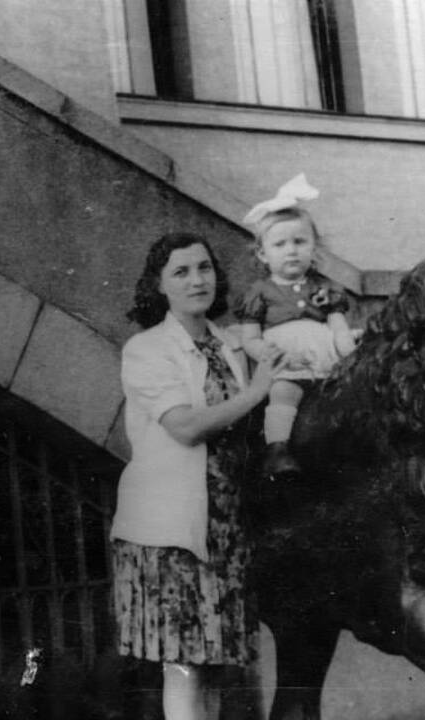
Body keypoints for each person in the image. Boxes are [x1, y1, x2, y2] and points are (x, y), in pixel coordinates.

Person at [110, 232, 286, 720]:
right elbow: (185, 426)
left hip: (225, 528)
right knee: (184, 665)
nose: (197, 280)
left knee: (209, 666)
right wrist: (257, 392)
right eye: (181, 272)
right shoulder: (146, 350)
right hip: (171, 531)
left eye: (204, 268)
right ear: (159, 286)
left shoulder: (231, 345)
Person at [234, 174, 356, 478]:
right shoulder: (260, 292)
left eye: (300, 242)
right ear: (263, 253)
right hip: (285, 361)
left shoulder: (324, 288)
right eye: (280, 244)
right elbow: (250, 338)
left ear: (314, 248)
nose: (291, 250)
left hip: (325, 360)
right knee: (284, 392)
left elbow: (338, 326)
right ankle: (277, 449)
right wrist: (274, 355)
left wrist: (347, 349)